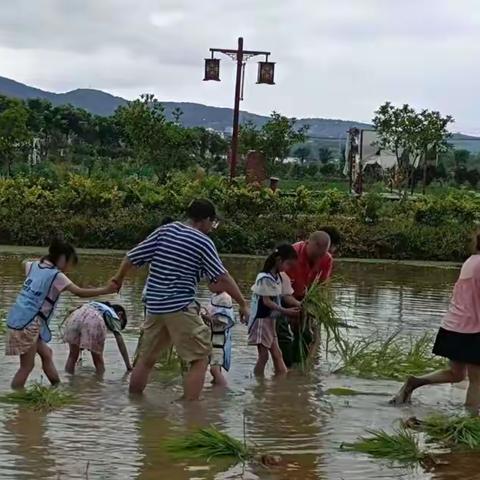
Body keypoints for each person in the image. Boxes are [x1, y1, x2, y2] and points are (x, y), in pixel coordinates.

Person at [111, 199, 249, 401]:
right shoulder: (203, 241)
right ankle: (190, 413)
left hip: (155, 306)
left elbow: (132, 256)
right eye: (212, 223)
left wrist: (118, 279)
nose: (211, 228)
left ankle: (135, 405)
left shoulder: (165, 231)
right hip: (180, 307)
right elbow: (223, 277)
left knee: (146, 360)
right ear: (205, 220)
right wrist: (243, 303)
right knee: (200, 359)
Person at [5, 238, 118, 389]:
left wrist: (43, 260)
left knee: (47, 354)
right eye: (69, 262)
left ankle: (56, 387)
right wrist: (107, 290)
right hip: (29, 323)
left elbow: (23, 262)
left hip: (18, 318)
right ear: (62, 258)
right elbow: (80, 292)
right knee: (26, 367)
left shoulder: (32, 266)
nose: (69, 268)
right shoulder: (56, 276)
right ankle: (17, 403)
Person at [391, 232, 480, 409]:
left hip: (453, 326)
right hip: (471, 329)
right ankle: (469, 426)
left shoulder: (471, 261)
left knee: (457, 374)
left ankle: (414, 382)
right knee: (477, 381)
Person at [277, 231, 333, 367]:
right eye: (316, 255)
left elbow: (320, 289)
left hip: (305, 299)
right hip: (281, 297)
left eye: (321, 255)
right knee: (283, 334)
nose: (318, 259)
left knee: (306, 335)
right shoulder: (291, 254)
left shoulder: (327, 259)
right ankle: (285, 368)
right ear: (308, 243)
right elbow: (282, 291)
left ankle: (297, 372)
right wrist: (296, 306)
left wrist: (314, 308)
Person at [248, 244, 301, 376]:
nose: (287, 268)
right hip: (261, 321)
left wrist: (300, 305)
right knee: (264, 356)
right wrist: (285, 311)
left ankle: (282, 381)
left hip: (271, 321)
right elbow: (266, 302)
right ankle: (258, 385)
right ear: (279, 260)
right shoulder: (265, 278)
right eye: (287, 264)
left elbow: (284, 296)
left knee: (277, 353)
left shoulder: (278, 277)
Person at [62, 301, 131, 375]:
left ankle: (68, 380)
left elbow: (80, 317)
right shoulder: (113, 315)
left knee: (72, 356)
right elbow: (120, 341)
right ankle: (99, 383)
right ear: (120, 314)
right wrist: (128, 365)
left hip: (75, 316)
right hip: (94, 321)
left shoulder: (95, 304)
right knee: (98, 361)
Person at [201, 292, 236, 387]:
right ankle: (216, 393)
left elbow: (222, 321)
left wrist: (205, 317)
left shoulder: (224, 298)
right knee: (214, 368)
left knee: (214, 369)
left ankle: (223, 389)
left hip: (219, 341)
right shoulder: (215, 296)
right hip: (212, 339)